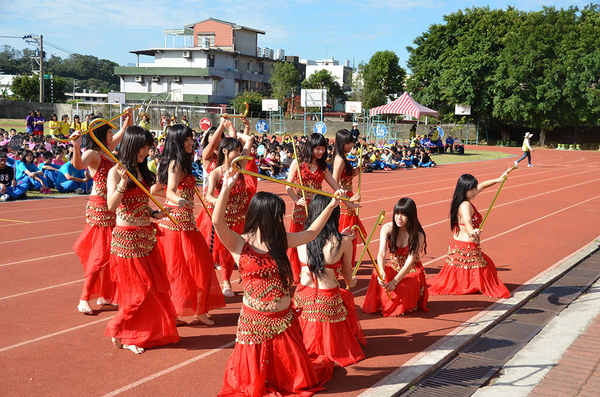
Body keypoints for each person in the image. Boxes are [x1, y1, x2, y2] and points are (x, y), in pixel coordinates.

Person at [213, 170, 336, 396]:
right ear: (263, 216)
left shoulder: (280, 240)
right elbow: (217, 221)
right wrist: (227, 188)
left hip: (283, 322)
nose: (281, 220)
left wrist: (330, 206)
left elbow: (311, 233)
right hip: (254, 322)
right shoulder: (239, 243)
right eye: (277, 216)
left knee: (297, 380)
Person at [105, 125, 180, 354]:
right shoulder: (116, 171)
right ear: (132, 145)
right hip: (127, 240)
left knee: (152, 289)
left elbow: (141, 204)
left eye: (148, 147)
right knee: (136, 290)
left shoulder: (143, 169)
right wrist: (122, 182)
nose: (147, 152)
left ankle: (139, 331)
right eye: (143, 147)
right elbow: (111, 205)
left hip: (146, 237)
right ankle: (120, 330)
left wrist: (155, 214)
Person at [151, 124, 225, 325]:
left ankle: (196, 310)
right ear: (177, 141)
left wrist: (176, 199)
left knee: (198, 265)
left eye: (191, 138)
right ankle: (180, 312)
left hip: (184, 223)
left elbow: (155, 189)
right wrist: (179, 200)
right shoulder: (176, 163)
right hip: (176, 226)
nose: (191, 142)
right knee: (181, 270)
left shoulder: (181, 162)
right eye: (186, 140)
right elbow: (168, 191)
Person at [71, 109, 132, 314]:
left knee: (110, 253)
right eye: (108, 133)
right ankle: (84, 298)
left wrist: (128, 118)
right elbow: (78, 165)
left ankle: (106, 295)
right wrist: (76, 146)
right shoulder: (93, 154)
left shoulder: (106, 149)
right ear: (101, 134)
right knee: (99, 255)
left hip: (112, 206)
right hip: (100, 208)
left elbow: (123, 132)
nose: (111, 136)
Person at [294, 194, 366, 367]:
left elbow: (318, 245)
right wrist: (353, 280)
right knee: (347, 296)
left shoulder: (299, 238)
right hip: (328, 300)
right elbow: (349, 277)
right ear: (335, 215)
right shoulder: (343, 242)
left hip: (303, 297)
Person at [427, 171, 511, 298]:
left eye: (474, 188)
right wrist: (472, 231)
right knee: (487, 270)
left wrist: (498, 180)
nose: (474, 191)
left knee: (484, 268)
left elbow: (482, 186)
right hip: (467, 245)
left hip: (458, 243)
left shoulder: (462, 199)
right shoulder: (465, 205)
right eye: (471, 189)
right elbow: (467, 220)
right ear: (464, 190)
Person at [198, 132, 254, 297]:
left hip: (241, 218)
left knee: (243, 250)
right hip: (225, 219)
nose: (238, 153)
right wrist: (218, 202)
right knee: (224, 253)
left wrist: (233, 127)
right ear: (224, 152)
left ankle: (247, 280)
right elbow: (207, 196)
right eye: (235, 150)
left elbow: (249, 140)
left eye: (239, 150)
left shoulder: (241, 167)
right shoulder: (216, 172)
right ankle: (227, 282)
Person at [286, 133, 346, 283]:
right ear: (310, 147)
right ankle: (295, 273)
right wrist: (296, 199)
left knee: (316, 239)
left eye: (323, 149)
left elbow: (335, 185)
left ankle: (313, 270)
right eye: (317, 148)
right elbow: (288, 186)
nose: (320, 152)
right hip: (301, 207)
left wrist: (347, 198)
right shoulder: (298, 163)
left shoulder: (323, 167)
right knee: (296, 241)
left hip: (317, 208)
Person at [363, 198, 429, 316]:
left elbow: (410, 261)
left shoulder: (418, 235)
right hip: (393, 267)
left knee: (403, 286)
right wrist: (381, 271)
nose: (399, 217)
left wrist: (395, 281)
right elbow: (381, 253)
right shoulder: (387, 228)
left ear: (411, 216)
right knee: (375, 272)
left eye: (403, 214)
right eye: (397, 213)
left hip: (411, 270)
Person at [332, 129, 364, 263]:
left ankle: (345, 262)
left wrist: (357, 171)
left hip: (348, 197)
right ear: (341, 143)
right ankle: (341, 262)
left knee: (350, 231)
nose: (350, 146)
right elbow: (334, 181)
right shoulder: (339, 160)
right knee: (345, 230)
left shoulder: (344, 158)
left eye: (351, 142)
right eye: (347, 143)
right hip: (344, 199)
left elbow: (346, 177)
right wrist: (347, 199)